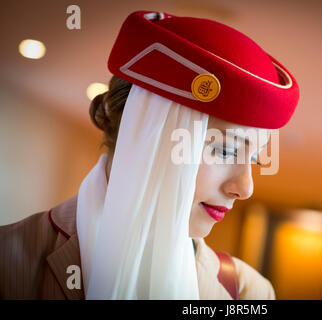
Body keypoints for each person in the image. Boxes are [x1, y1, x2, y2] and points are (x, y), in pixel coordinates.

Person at [0, 10, 299, 299]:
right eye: (225, 149)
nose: (246, 187)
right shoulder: (8, 264)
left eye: (257, 158)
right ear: (144, 129)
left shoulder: (248, 293)